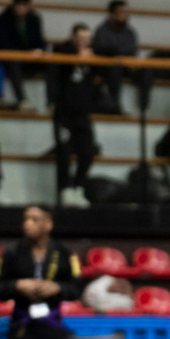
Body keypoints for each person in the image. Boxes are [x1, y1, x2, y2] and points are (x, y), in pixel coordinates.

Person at [0, 205, 83, 339]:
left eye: (35, 220)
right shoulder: (10, 252)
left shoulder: (64, 252)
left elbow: (77, 288)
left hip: (53, 325)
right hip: (20, 325)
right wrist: (17, 285)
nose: (28, 224)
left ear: (48, 224)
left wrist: (57, 288)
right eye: (26, 219)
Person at [47, 23, 97, 208]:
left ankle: (78, 187)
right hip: (64, 113)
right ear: (73, 38)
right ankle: (65, 190)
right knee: (64, 153)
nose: (85, 42)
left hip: (82, 113)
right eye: (81, 38)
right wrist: (77, 55)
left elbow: (110, 52)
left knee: (88, 151)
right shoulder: (63, 51)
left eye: (87, 38)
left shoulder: (92, 56)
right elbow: (58, 60)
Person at [0, 0, 45, 110]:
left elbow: (40, 40)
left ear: (29, 6)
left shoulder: (34, 18)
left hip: (29, 58)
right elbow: (3, 43)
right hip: (10, 59)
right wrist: (24, 53)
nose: (21, 8)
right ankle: (22, 99)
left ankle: (52, 103)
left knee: (53, 63)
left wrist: (38, 50)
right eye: (19, 5)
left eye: (24, 5)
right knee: (14, 62)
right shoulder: (2, 19)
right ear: (13, 5)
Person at [92, 0, 139, 114]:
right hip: (107, 67)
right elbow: (101, 49)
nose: (125, 15)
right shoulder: (102, 30)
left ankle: (142, 107)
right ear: (112, 14)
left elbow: (132, 50)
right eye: (121, 12)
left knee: (146, 70)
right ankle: (114, 105)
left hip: (126, 65)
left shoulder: (130, 32)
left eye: (126, 13)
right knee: (115, 68)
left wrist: (120, 55)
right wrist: (118, 55)